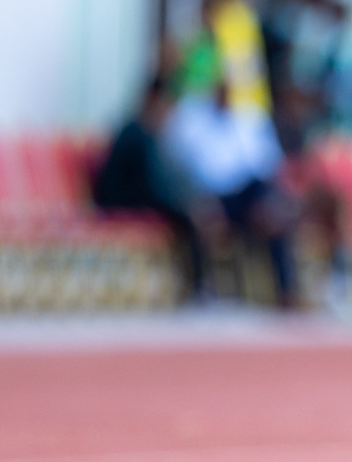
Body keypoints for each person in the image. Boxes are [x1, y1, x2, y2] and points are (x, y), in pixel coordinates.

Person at [163, 80, 299, 309]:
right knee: (197, 216)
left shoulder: (251, 118)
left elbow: (268, 167)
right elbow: (176, 167)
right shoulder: (190, 119)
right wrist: (198, 200)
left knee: (274, 216)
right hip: (205, 195)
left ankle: (286, 292)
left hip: (247, 197)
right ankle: (200, 289)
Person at [92, 76, 210, 300]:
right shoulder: (136, 133)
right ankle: (197, 285)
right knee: (188, 218)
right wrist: (184, 205)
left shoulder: (149, 133)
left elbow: (165, 179)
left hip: (137, 195)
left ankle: (196, 284)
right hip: (121, 200)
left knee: (189, 214)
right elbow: (151, 183)